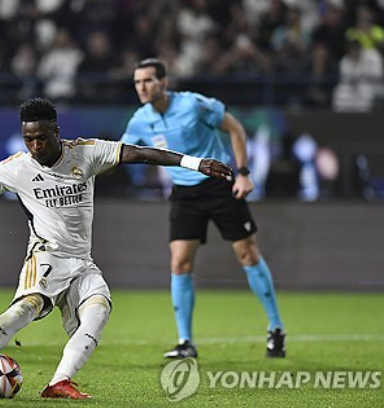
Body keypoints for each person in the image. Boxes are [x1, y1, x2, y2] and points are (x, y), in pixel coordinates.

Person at [0, 97, 231, 398]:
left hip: (82, 262)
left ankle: (59, 381)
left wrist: (194, 163)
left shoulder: (87, 153)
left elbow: (140, 154)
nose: (36, 146)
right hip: (45, 256)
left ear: (57, 132)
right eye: (29, 139)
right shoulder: (17, 168)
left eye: (42, 138)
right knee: (24, 310)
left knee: (100, 308)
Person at [121, 58, 286, 359]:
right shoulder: (140, 120)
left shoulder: (194, 104)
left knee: (248, 254)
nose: (141, 87)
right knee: (179, 264)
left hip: (219, 185)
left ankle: (276, 327)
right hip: (184, 194)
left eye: (147, 81)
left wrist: (244, 174)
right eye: (137, 82)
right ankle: (186, 341)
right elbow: (120, 153)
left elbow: (235, 129)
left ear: (164, 82)